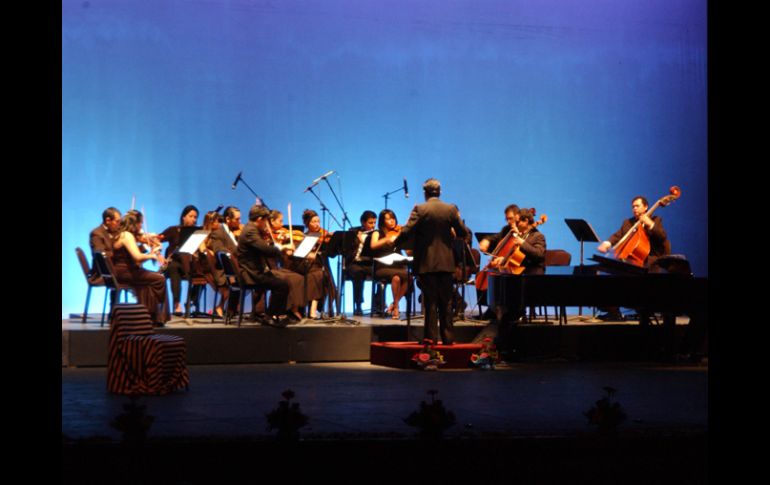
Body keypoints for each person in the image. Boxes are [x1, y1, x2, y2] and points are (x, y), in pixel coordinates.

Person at [394, 178, 468, 345]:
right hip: (446, 262)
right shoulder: (450, 209)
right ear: (439, 192)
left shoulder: (420, 208)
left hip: (426, 262)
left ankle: (430, 338)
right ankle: (448, 338)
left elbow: (407, 230)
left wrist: (395, 242)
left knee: (430, 301)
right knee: (446, 301)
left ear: (425, 192)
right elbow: (462, 232)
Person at [596, 195, 670, 321]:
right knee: (603, 272)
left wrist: (650, 224)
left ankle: (641, 307)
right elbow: (617, 235)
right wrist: (607, 243)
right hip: (630, 262)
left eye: (637, 206)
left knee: (623, 277)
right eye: (633, 207)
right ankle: (613, 311)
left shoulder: (655, 220)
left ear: (646, 207)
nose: (634, 209)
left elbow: (662, 237)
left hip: (649, 262)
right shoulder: (628, 222)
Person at [111, 211, 170, 325]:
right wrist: (152, 255)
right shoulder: (127, 236)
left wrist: (151, 247)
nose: (141, 227)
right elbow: (137, 258)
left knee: (150, 280)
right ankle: (156, 315)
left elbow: (136, 251)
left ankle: (150, 316)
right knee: (160, 279)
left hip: (126, 271)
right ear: (135, 223)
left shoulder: (123, 234)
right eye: (140, 224)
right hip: (126, 273)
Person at [236, 205, 291, 326]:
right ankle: (271, 316)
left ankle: (277, 315)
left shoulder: (250, 229)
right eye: (265, 221)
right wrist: (281, 248)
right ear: (260, 219)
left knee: (282, 283)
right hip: (251, 273)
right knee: (282, 286)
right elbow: (265, 249)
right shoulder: (251, 231)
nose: (266, 224)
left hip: (253, 270)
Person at [370, 209, 411, 320]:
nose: (392, 221)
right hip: (382, 266)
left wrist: (409, 243)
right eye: (388, 219)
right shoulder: (377, 233)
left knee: (405, 278)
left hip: (397, 265)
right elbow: (373, 245)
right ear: (382, 221)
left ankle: (394, 304)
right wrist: (386, 239)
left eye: (393, 218)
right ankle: (396, 308)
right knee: (397, 276)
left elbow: (407, 251)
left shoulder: (398, 232)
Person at [160, 205, 200, 316]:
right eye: (191, 216)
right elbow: (158, 239)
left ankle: (191, 300)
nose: (194, 219)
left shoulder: (197, 232)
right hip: (174, 263)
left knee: (201, 268)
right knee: (174, 267)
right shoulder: (173, 230)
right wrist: (158, 254)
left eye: (195, 217)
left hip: (189, 263)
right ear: (183, 217)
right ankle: (177, 303)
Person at [288, 209, 328, 319]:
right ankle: (309, 310)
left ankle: (313, 310)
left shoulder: (322, 235)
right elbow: (296, 254)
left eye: (318, 221)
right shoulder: (301, 236)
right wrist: (308, 253)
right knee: (318, 274)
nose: (317, 224)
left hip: (316, 266)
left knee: (321, 274)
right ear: (307, 223)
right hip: (303, 266)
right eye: (314, 221)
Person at [345, 210, 377, 316]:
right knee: (358, 273)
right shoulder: (353, 232)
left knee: (381, 272)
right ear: (363, 222)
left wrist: (365, 240)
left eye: (374, 223)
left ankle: (378, 305)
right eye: (370, 223)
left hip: (369, 263)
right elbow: (346, 249)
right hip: (354, 263)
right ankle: (358, 305)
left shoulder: (376, 234)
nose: (373, 225)